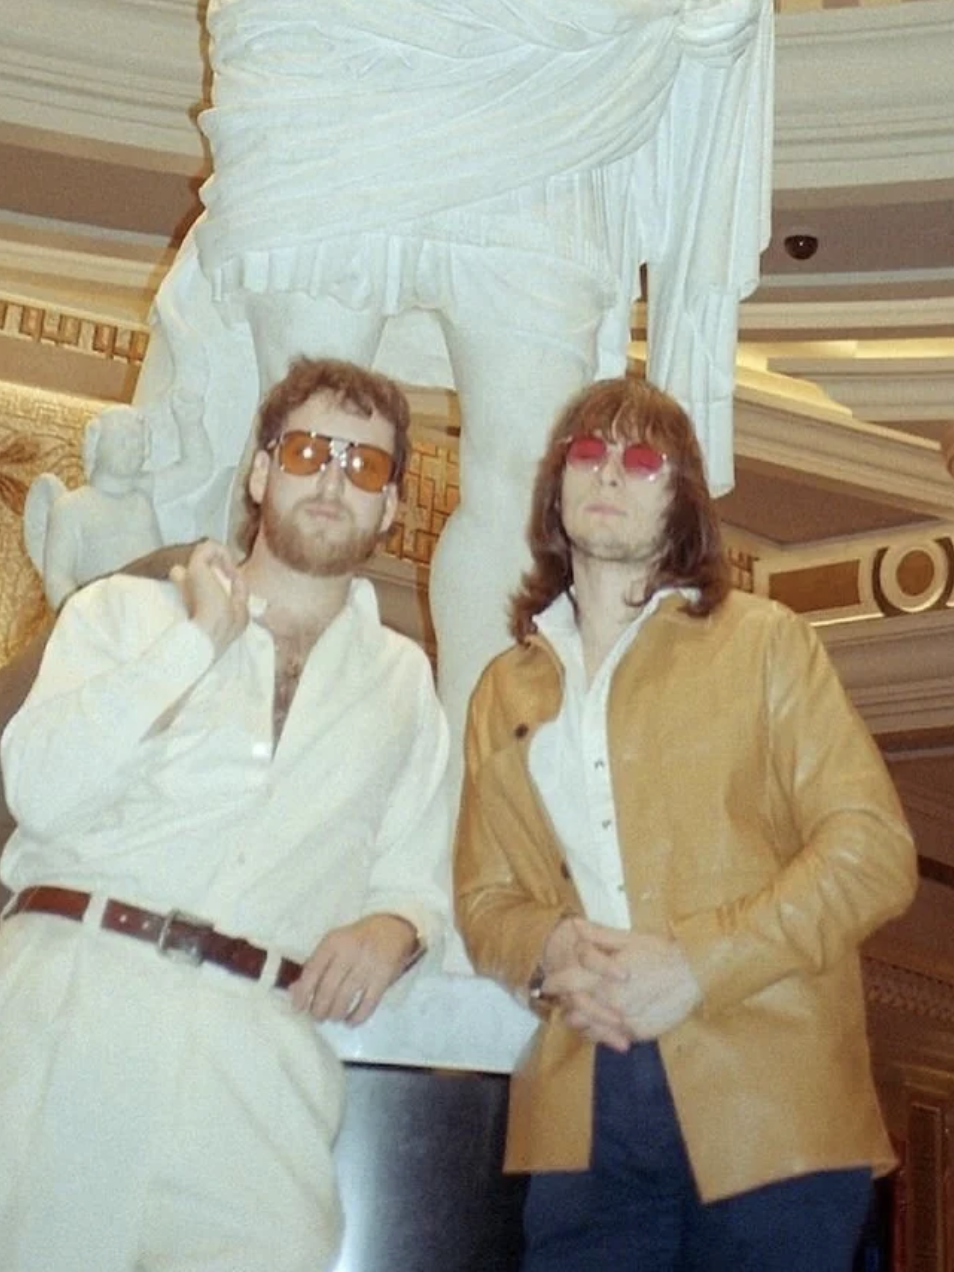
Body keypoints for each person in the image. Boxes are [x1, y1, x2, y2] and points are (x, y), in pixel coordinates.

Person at [133, 0, 774, 762]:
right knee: (308, 441)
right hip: (334, 49)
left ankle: (481, 792)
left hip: (560, 78)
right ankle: (243, 746)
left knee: (526, 477)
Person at [454, 375, 918, 1271]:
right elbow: (484, 901)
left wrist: (698, 964)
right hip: (583, 1107)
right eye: (588, 452)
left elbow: (873, 852)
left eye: (642, 459)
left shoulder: (766, 641)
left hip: (769, 1103)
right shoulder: (503, 690)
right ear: (557, 482)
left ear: (683, 500)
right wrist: (549, 950)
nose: (609, 472)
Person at [0, 357, 451, 1272]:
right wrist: (197, 641)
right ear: (260, 471)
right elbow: (37, 788)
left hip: (261, 1067)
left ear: (391, 509)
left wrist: (394, 928)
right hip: (71, 1012)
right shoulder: (124, 613)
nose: (331, 479)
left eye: (363, 465)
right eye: (309, 451)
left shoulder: (404, 682)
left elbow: (419, 878)